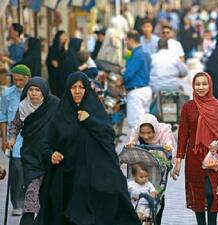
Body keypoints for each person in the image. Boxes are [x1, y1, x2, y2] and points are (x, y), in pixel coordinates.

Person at [34, 71, 141, 225]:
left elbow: (108, 136)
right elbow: (45, 144)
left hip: (96, 170)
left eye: (81, 87)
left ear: (87, 89)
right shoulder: (59, 114)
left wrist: (89, 120)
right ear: (68, 89)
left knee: (114, 192)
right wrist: (51, 154)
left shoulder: (95, 109)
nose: (77, 91)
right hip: (67, 173)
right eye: (73, 87)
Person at [173, 72, 218, 225]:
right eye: (197, 84)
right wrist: (178, 161)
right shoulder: (188, 107)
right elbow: (183, 135)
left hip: (213, 156)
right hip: (194, 157)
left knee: (211, 193)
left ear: (210, 85)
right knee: (199, 194)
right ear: (193, 86)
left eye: (204, 84)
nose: (201, 87)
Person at [7, 77, 59, 225]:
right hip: (30, 155)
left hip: (50, 155)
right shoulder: (23, 107)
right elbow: (15, 125)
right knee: (31, 189)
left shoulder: (54, 104)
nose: (34, 93)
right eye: (31, 90)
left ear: (44, 92)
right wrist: (11, 139)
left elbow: (64, 121)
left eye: (37, 90)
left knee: (47, 192)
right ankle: (27, 219)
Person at [125, 113, 176, 224]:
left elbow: (168, 143)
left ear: (155, 129)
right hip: (142, 164)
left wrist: (167, 146)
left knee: (158, 197)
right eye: (143, 133)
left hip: (158, 166)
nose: (146, 136)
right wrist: (130, 144)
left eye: (149, 133)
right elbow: (132, 142)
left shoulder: (163, 131)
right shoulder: (137, 130)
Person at [0, 65, 31, 216]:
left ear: (28, 79)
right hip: (14, 140)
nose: (18, 83)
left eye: (21, 80)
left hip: (31, 138)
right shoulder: (7, 94)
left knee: (29, 171)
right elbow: (3, 116)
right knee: (16, 170)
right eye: (15, 80)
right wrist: (4, 139)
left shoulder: (34, 93)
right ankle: (17, 203)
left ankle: (28, 200)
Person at [123, 30, 152, 129]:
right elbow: (125, 63)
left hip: (137, 92)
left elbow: (128, 74)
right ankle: (144, 144)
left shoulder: (136, 54)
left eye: (126, 40)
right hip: (146, 90)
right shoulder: (145, 53)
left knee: (135, 124)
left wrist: (121, 80)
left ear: (131, 40)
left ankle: (138, 145)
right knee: (144, 124)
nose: (125, 43)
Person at [46, 30, 68, 96]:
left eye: (65, 35)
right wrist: (52, 61)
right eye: (63, 35)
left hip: (64, 75)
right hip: (54, 75)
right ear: (58, 37)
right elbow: (50, 61)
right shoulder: (53, 48)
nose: (65, 37)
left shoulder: (66, 48)